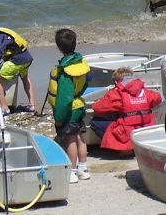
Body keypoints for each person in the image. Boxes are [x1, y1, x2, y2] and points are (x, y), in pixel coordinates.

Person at [48, 28, 91, 184]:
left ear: (59, 48)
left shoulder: (65, 71)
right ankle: (84, 168)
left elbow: (64, 98)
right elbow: (87, 81)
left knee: (71, 140)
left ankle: (72, 171)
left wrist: (59, 118)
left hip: (70, 109)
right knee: (80, 137)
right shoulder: (81, 63)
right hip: (79, 106)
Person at [90, 66, 162, 153]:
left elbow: (97, 107)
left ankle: (123, 149)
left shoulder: (117, 93)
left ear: (116, 82)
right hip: (146, 128)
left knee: (95, 122)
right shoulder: (144, 91)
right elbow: (158, 98)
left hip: (126, 131)